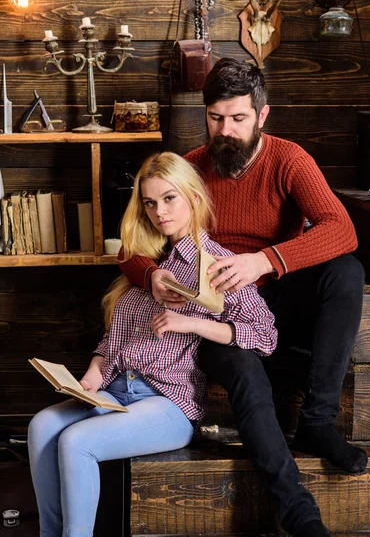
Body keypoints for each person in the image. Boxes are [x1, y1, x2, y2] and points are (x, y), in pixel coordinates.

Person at [119, 58, 366, 537]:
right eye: (215, 118)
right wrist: (149, 275)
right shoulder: (188, 167)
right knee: (246, 373)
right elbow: (130, 246)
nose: (226, 130)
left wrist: (264, 261)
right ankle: (297, 511)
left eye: (238, 118)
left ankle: (318, 421)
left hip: (276, 294)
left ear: (262, 114)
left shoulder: (289, 159)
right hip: (215, 312)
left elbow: (343, 230)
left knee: (346, 271)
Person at [27, 151, 277, 537]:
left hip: (167, 404)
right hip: (113, 391)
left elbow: (264, 334)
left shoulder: (218, 266)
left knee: (77, 441)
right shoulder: (147, 264)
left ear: (193, 196)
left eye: (169, 198)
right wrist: (93, 375)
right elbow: (114, 339)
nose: (160, 211)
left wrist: (191, 322)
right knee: (42, 425)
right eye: (150, 202)